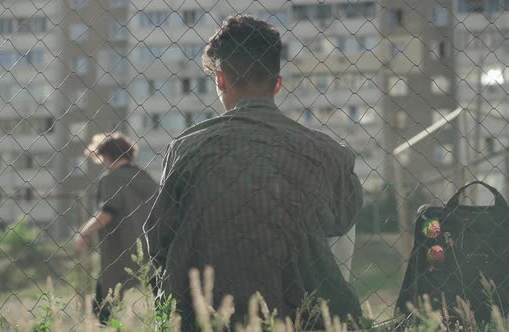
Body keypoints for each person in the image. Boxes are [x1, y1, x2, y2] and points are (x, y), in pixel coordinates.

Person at [144, 15, 363, 330]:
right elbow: (343, 220)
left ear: (220, 80)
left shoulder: (185, 149)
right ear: (277, 83)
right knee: (339, 212)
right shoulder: (326, 153)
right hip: (298, 315)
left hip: (205, 316)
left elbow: (158, 241)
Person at [75, 132, 158, 324]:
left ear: (107, 156)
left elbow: (108, 211)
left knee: (103, 309)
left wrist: (83, 232)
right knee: (161, 304)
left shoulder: (111, 179)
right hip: (153, 251)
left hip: (122, 252)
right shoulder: (146, 178)